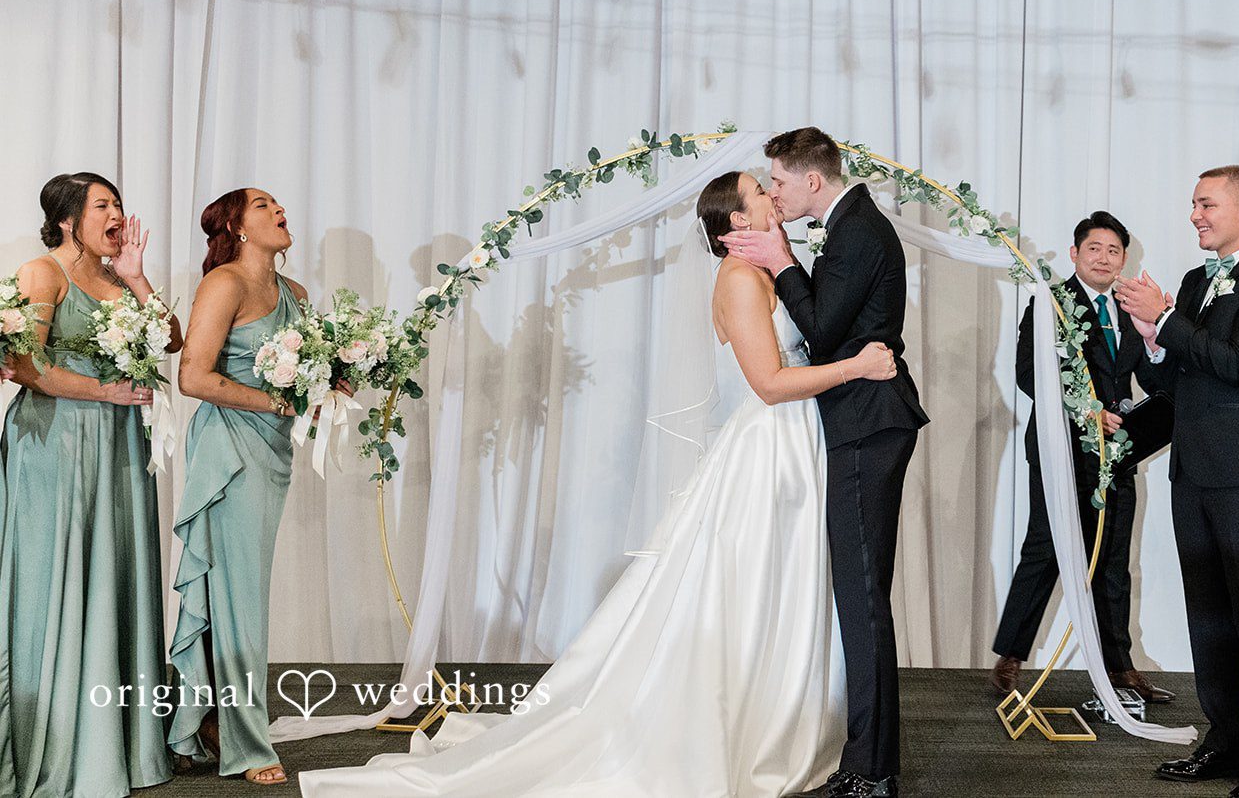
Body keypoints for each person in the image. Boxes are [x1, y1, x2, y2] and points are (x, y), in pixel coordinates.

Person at [297, 170, 898, 797]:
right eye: (761, 191)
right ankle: (746, 727)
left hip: (802, 445)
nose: (775, 196)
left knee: (787, 587)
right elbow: (770, 386)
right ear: (738, 224)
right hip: (774, 449)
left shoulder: (771, 271)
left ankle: (791, 719)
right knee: (752, 589)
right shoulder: (742, 280)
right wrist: (855, 366)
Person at [722, 128, 931, 798]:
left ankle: (872, 771)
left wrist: (782, 258)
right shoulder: (848, 227)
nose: (774, 193)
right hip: (861, 424)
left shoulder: (857, 231)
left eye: (777, 181)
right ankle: (868, 760)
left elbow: (819, 329)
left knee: (863, 599)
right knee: (859, 597)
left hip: (870, 425)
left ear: (812, 181)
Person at [1115, 165, 1239, 798]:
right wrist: (1154, 340)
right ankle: (1226, 739)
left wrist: (1166, 323)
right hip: (1192, 468)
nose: (1195, 214)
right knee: (1208, 616)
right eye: (1193, 204)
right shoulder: (1197, 280)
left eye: (1206, 204)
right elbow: (1175, 381)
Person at [0, 172, 180, 796]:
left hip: (118, 446)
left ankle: (118, 744)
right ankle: (53, 741)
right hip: (55, 444)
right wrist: (103, 389)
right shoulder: (41, 273)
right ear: (69, 219)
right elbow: (24, 362)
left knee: (114, 572)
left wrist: (135, 274)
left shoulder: (117, 280)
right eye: (103, 205)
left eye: (120, 204)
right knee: (57, 576)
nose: (117, 213)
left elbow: (172, 340)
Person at [991, 211, 1171, 704]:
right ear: (1074, 254)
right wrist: (1087, 411)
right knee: (1046, 546)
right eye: (1095, 248)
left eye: (1114, 251)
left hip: (1118, 451)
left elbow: (1151, 380)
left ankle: (1119, 668)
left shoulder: (1131, 306)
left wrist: (1157, 339)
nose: (1105, 258)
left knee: (1113, 558)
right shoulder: (1051, 303)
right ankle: (1009, 655)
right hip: (1059, 447)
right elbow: (1030, 374)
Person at [169, 188, 310, 786]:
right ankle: (246, 742)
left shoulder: (298, 295)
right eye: (263, 206)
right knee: (239, 597)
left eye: (280, 204)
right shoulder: (224, 283)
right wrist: (275, 400)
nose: (280, 211)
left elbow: (310, 371)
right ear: (237, 226)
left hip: (274, 452)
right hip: (229, 450)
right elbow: (193, 376)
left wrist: (335, 382)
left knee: (239, 591)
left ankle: (206, 720)